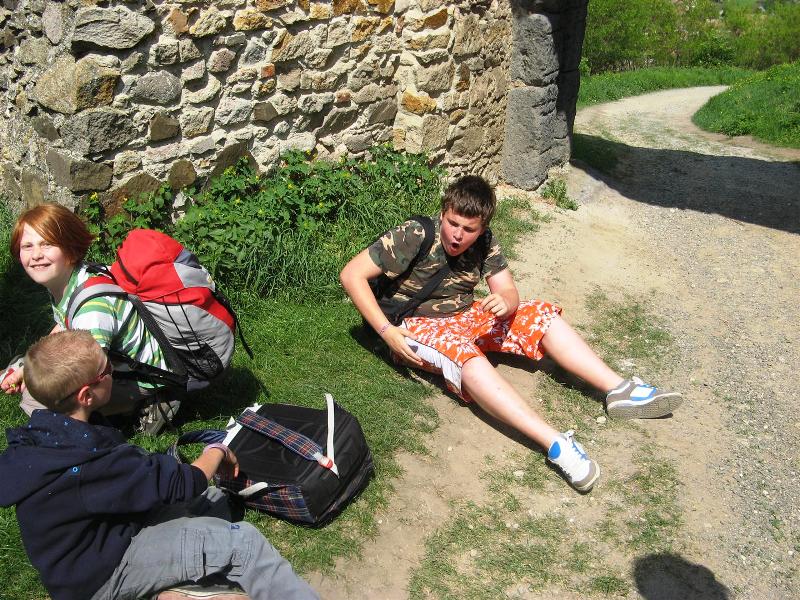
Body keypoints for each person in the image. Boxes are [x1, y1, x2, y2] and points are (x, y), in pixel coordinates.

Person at [340, 175, 682, 492]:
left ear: (482, 227)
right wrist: (386, 332)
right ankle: (556, 444)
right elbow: (351, 275)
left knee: (539, 314)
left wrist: (506, 302)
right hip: (413, 326)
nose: (457, 235)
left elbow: (508, 290)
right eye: (452, 223)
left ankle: (619, 389)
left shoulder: (486, 242)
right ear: (443, 213)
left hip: (464, 316)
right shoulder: (415, 233)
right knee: (466, 357)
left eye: (468, 229)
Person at [0, 329, 319, 600]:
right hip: (102, 575)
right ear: (86, 395)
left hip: (98, 542)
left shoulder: (46, 433)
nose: (113, 370)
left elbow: (143, 480)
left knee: (213, 501)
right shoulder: (90, 461)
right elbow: (184, 482)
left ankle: (179, 584)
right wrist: (217, 451)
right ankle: (160, 590)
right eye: (107, 369)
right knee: (243, 543)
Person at [1, 203, 176, 434]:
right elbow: (64, 325)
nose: (36, 255)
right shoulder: (72, 279)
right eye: (27, 246)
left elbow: (90, 374)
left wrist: (36, 382)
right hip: (118, 363)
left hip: (145, 377)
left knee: (40, 396)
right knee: (29, 367)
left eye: (47, 244)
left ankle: (148, 403)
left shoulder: (93, 309)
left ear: (71, 248)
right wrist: (24, 369)